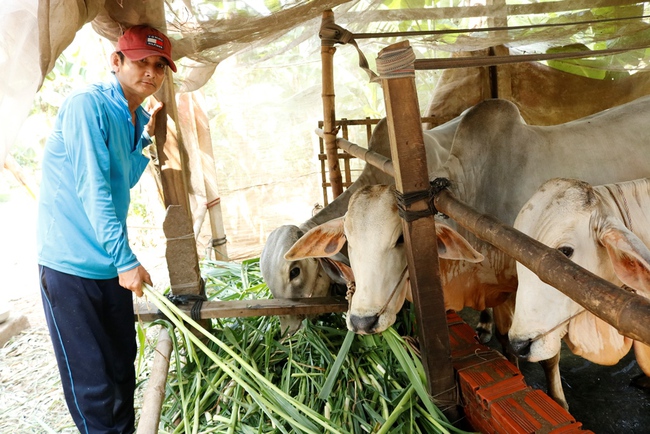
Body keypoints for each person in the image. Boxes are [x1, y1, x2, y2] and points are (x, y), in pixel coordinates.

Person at [37, 25, 177, 434]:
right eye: (140, 62)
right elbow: (94, 190)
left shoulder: (131, 115)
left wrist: (145, 141)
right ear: (115, 62)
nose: (149, 73)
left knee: (121, 368)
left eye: (158, 66)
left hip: (107, 268)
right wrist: (126, 260)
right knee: (94, 387)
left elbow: (123, 178)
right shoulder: (87, 106)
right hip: (70, 267)